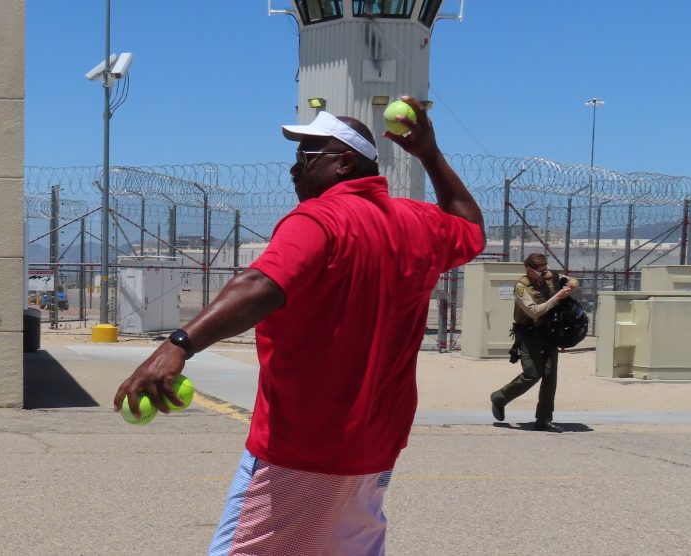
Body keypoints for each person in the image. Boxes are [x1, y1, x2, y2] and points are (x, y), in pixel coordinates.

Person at [114, 96, 485, 554]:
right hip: (375, 446)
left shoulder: (319, 218)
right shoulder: (419, 223)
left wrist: (178, 345)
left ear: (344, 162)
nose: (293, 169)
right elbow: (469, 224)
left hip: (305, 447)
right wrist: (429, 154)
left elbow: (259, 285)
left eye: (306, 157)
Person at [490, 252, 578, 432]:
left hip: (549, 333)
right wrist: (557, 298)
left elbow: (572, 280)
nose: (544, 273)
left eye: (545, 269)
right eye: (540, 271)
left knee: (550, 376)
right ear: (530, 270)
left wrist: (572, 284)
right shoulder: (521, 287)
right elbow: (534, 311)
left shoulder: (550, 277)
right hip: (529, 334)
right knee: (532, 373)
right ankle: (499, 397)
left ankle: (543, 419)